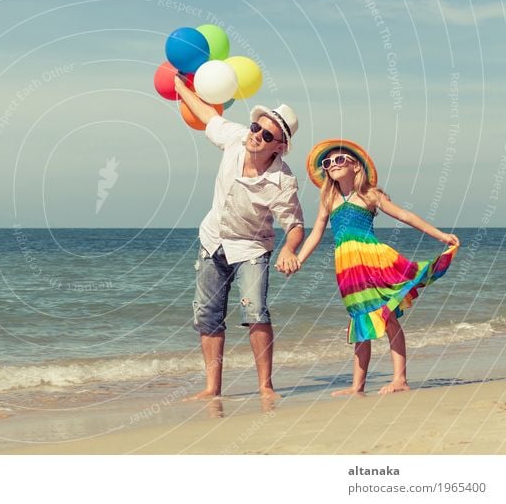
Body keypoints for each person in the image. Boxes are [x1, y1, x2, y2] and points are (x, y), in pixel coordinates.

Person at [174, 76, 304, 401]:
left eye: (268, 134)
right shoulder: (235, 139)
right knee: (207, 314)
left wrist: (290, 248)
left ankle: (266, 386)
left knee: (254, 312)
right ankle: (211, 389)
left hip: (251, 249)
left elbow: (296, 224)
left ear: (280, 145)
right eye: (256, 128)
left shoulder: (282, 181)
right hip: (212, 240)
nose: (257, 135)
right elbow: (208, 115)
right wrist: (181, 88)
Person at [296, 139, 460, 395]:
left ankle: (400, 379)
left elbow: (405, 216)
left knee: (387, 317)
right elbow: (316, 232)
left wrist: (440, 236)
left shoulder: (370, 194)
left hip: (374, 262)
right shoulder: (328, 198)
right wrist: (299, 259)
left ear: (356, 167)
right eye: (327, 163)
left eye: (339, 160)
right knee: (360, 320)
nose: (332, 165)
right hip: (347, 270)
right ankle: (356, 386)